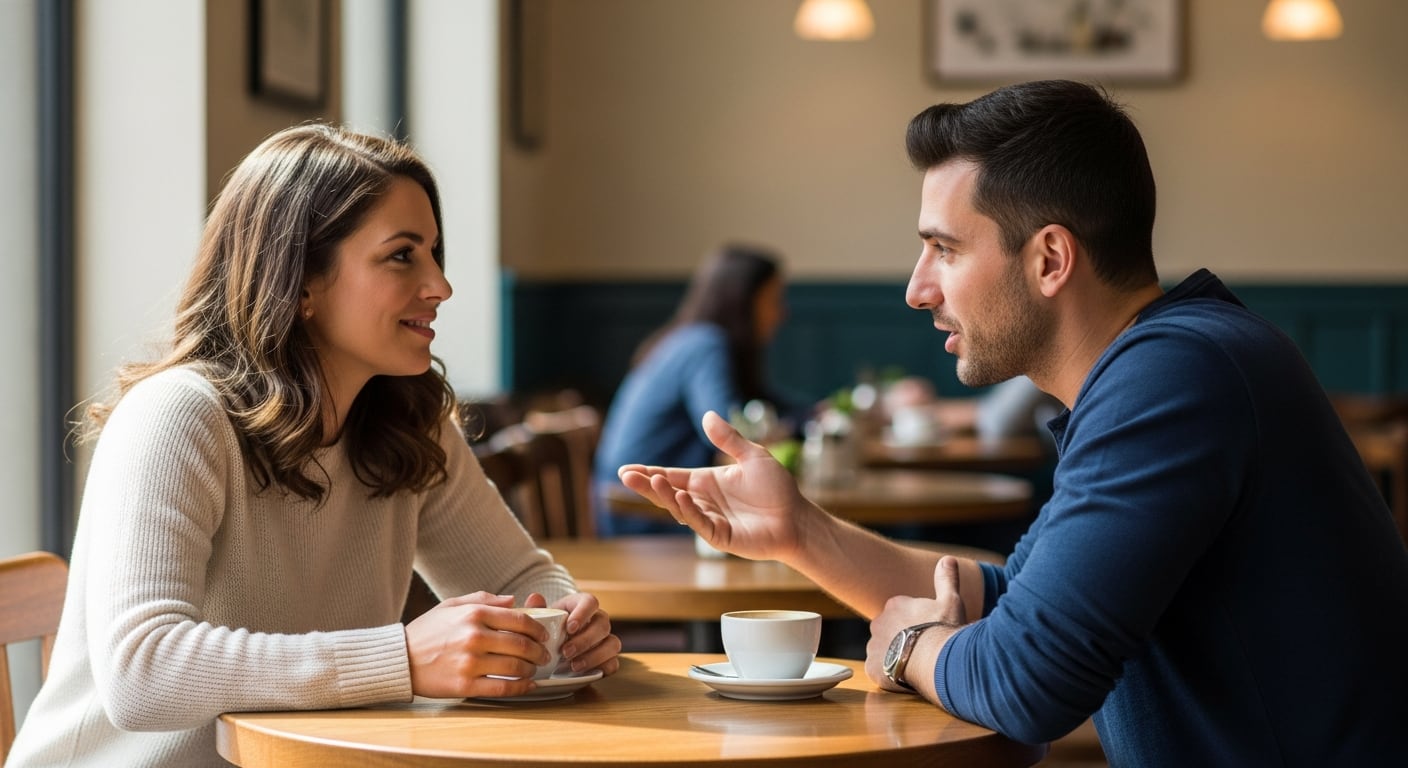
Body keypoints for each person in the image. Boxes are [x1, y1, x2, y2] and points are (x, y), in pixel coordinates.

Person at [620, 80, 1408, 765]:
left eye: (944, 250)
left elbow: (1028, 683)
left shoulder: (1175, 376)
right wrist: (801, 532)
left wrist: (906, 647)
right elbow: (1012, 602)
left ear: (1050, 259)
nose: (917, 289)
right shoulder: (1168, 364)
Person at [7, 124, 620, 768]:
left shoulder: (409, 419)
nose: (440, 286)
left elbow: (520, 580)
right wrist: (402, 661)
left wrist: (567, 627)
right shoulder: (178, 416)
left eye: (435, 254)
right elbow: (143, 673)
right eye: (403, 255)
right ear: (299, 282)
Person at [592, 243, 806, 536]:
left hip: (658, 505)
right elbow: (727, 434)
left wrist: (812, 414)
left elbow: (764, 404)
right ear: (743, 301)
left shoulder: (693, 340)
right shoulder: (704, 345)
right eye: (772, 299)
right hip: (644, 516)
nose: (782, 313)